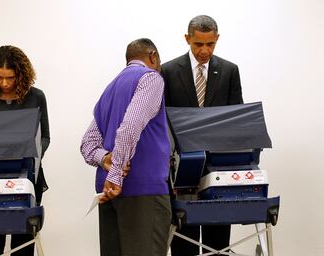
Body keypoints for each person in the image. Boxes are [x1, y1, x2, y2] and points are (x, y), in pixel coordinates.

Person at [80, 38, 172, 256]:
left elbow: (88, 143)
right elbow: (130, 127)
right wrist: (116, 174)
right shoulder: (151, 79)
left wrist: (106, 159)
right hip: (142, 193)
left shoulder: (110, 88)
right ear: (153, 56)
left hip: (108, 196)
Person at [161, 15, 243, 255]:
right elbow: (163, 121)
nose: (205, 50)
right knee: (183, 239)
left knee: (217, 242)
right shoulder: (167, 71)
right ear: (187, 39)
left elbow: (236, 119)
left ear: (217, 39)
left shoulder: (229, 71)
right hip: (181, 168)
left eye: (210, 44)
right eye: (198, 44)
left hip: (218, 167)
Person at [0, 45, 50, 256]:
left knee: (23, 246)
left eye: (11, 78)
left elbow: (45, 137)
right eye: (0, 77)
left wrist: (30, 156)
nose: (5, 83)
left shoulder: (36, 97)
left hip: (27, 180)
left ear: (21, 75)